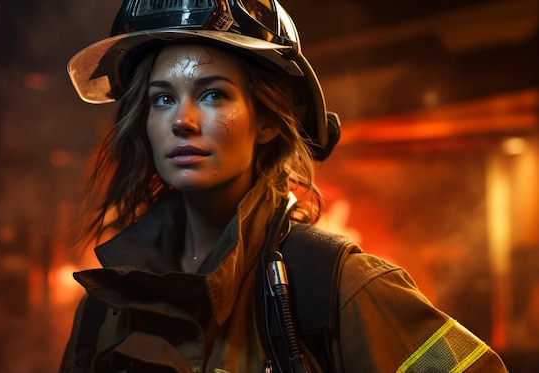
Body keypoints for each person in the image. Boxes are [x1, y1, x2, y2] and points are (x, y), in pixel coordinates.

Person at [59, 0, 508, 372]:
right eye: (163, 99)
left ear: (268, 122)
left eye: (214, 94)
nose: (182, 120)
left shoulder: (337, 287)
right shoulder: (107, 305)